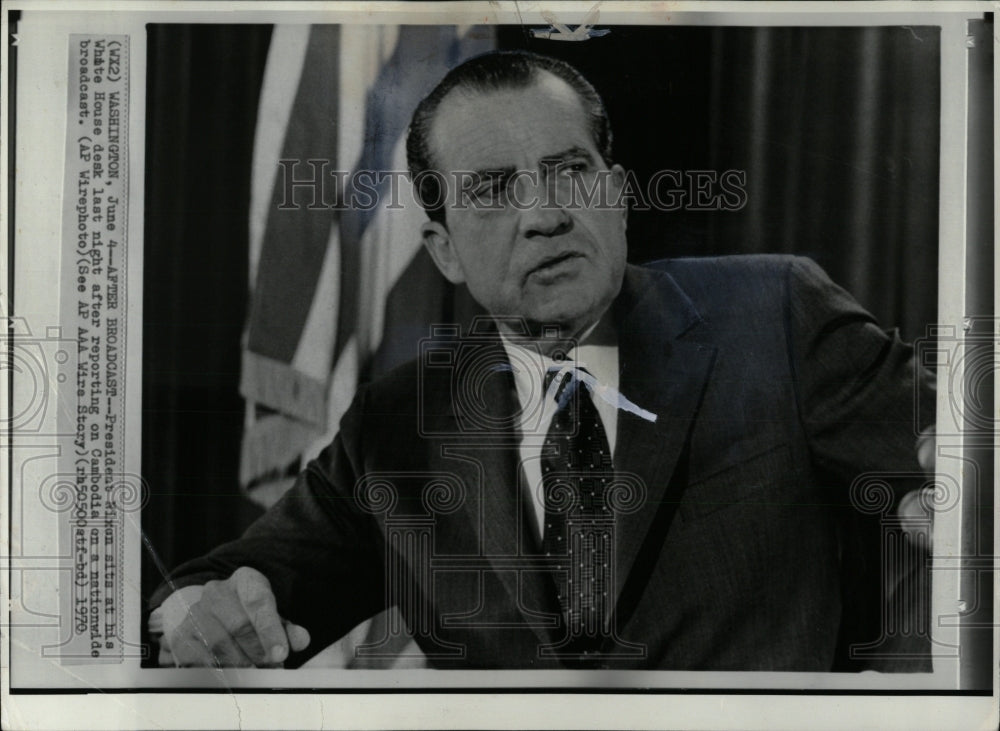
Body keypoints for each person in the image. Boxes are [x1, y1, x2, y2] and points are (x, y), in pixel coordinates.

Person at [150, 51, 935, 671]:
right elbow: (218, 585)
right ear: (445, 249)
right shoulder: (399, 426)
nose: (548, 214)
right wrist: (203, 613)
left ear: (618, 194)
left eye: (571, 172)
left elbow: (963, 467)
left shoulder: (776, 315)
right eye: (493, 189)